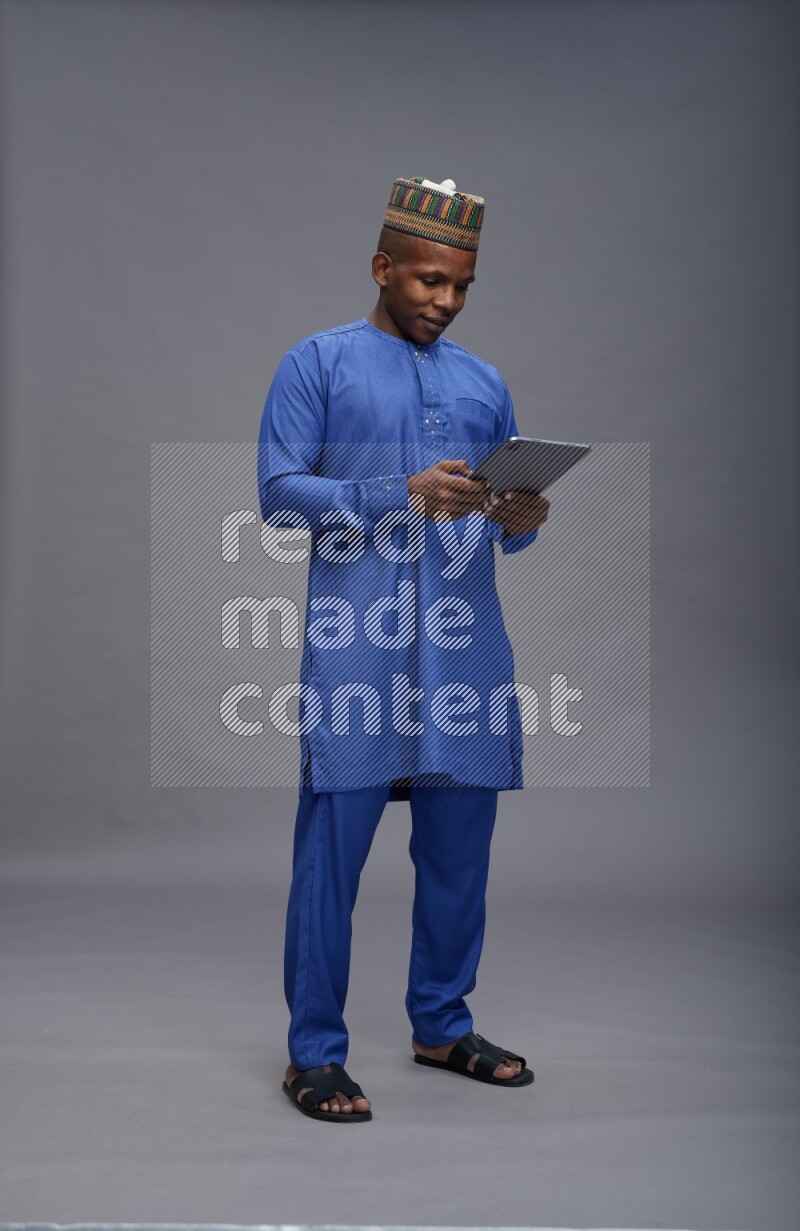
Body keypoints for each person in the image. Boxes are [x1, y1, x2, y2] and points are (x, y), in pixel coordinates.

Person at [257, 175, 550, 1122]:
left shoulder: (484, 381)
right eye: (429, 280)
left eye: (461, 285)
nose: (446, 299)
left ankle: (441, 1025)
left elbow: (501, 516)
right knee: (330, 861)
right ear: (384, 267)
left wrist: (521, 515)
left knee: (460, 860)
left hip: (464, 653)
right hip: (359, 648)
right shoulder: (318, 364)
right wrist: (398, 491)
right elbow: (278, 494)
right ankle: (314, 1053)